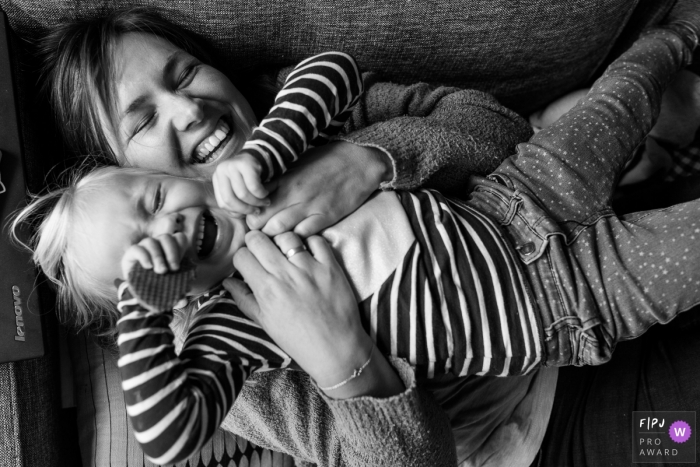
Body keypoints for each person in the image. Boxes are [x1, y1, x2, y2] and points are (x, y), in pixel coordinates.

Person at [17, 14, 700, 465]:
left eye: (185, 74)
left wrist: (368, 159)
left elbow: (501, 132)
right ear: (115, 170)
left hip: (539, 216)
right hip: (542, 426)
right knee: (680, 434)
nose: (189, 109)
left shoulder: (300, 112)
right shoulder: (231, 353)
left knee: (609, 110)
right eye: (143, 123)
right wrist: (343, 360)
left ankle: (663, 106)